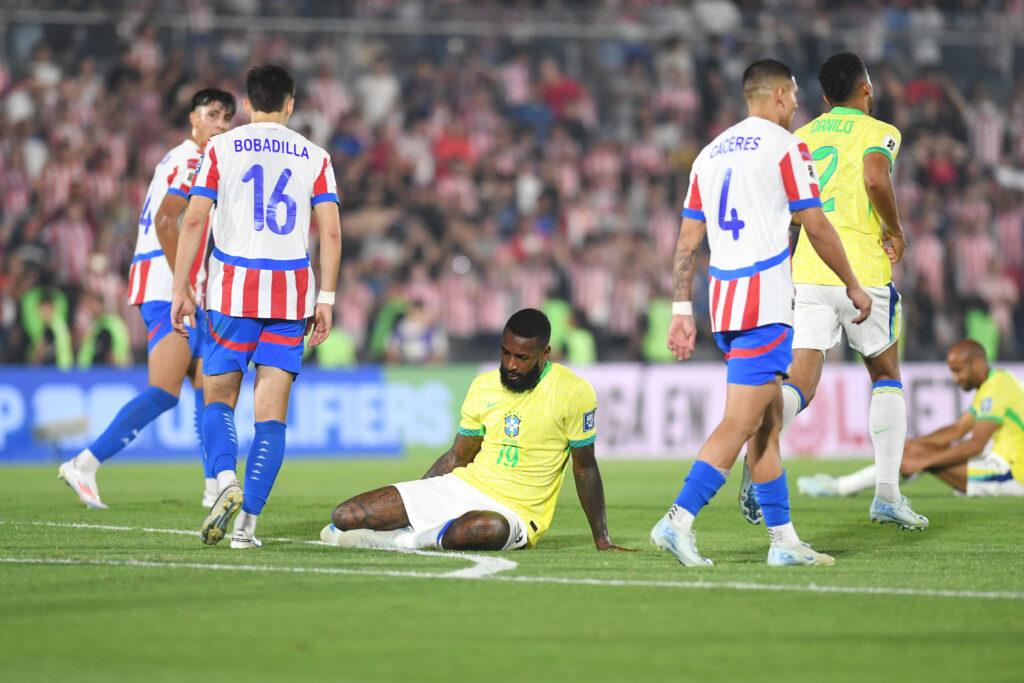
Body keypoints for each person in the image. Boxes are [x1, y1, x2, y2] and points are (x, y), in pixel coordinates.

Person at [649, 59, 871, 567]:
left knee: (768, 424)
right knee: (740, 422)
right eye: (792, 96)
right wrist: (853, 285)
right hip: (764, 302)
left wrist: (682, 307)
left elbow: (688, 239)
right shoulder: (788, 147)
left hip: (725, 303)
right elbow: (815, 225)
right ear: (775, 95)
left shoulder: (708, 154)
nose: (796, 105)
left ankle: (784, 542)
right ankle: (677, 520)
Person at [737, 52, 928, 531]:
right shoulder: (880, 131)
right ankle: (886, 495)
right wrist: (895, 230)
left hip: (808, 271)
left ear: (822, 98)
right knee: (886, 377)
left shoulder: (800, 137)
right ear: (866, 88)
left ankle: (761, 439)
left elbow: (789, 211)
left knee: (801, 381)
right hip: (862, 270)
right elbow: (873, 176)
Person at [171, 64, 341, 548]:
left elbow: (193, 220)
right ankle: (246, 528)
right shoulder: (316, 156)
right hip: (291, 293)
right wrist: (325, 297)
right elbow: (329, 231)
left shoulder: (221, 148)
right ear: (291, 104)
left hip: (233, 289)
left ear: (246, 104)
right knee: (271, 414)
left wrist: (181, 287)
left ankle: (224, 481)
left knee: (218, 397)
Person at [320, 308, 631, 553]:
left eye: (521, 358)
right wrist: (417, 500)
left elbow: (585, 467)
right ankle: (411, 530)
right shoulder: (484, 384)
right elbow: (459, 456)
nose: (510, 364)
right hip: (464, 487)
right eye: (505, 352)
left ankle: (401, 542)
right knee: (345, 515)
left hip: (516, 513)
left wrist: (602, 538)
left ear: (545, 354)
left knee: (485, 528)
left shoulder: (574, 392)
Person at [58, 88, 236, 510]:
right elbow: (166, 217)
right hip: (168, 286)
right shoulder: (190, 159)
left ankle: (214, 487)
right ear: (193, 118)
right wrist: (183, 286)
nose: (221, 125)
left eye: (227, 118)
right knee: (165, 390)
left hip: (181, 286)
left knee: (207, 388)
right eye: (213, 115)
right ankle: (85, 463)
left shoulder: (183, 158)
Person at [798, 339, 1024, 500]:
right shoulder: (992, 386)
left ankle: (840, 487)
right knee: (912, 454)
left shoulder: (998, 386)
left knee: (917, 458)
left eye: (958, 371)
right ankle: (842, 486)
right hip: (1001, 465)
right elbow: (958, 429)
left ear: (975, 364)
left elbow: (975, 444)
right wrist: (917, 445)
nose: (955, 379)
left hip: (1012, 475)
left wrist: (924, 461)